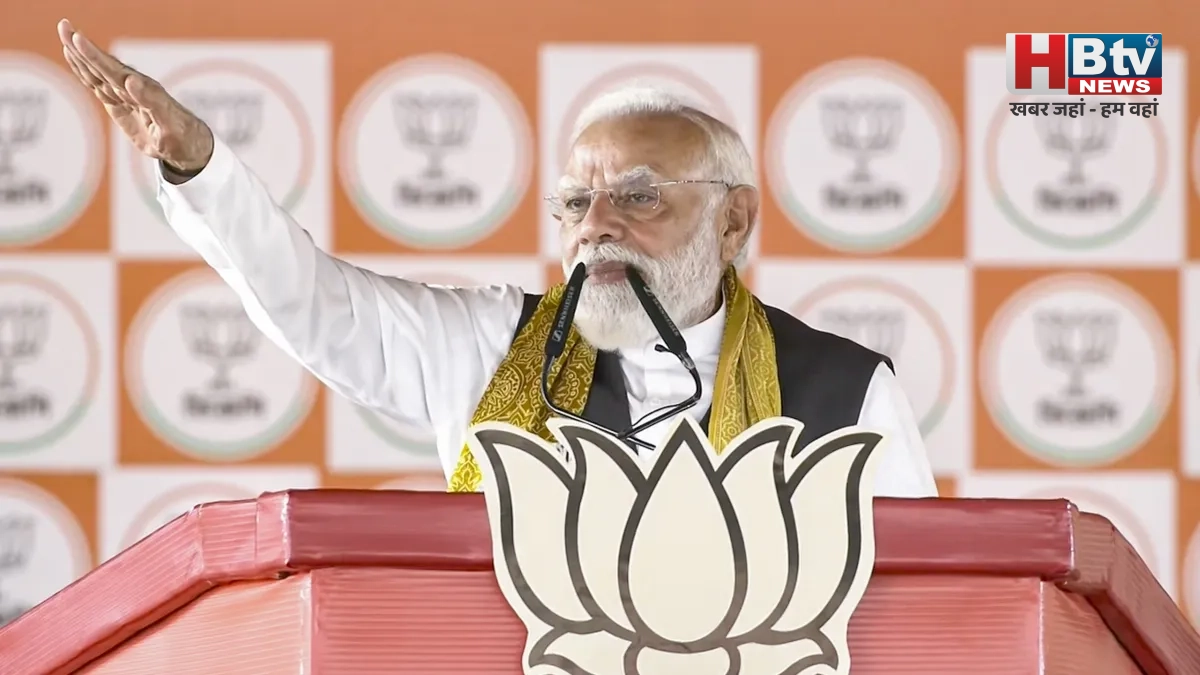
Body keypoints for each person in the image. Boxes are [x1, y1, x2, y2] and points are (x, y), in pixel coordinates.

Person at [56, 19, 937, 497]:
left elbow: (925, 612)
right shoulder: (488, 347)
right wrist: (201, 168)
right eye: (576, 202)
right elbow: (314, 304)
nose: (596, 226)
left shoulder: (849, 393)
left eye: (638, 197)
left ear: (733, 221)